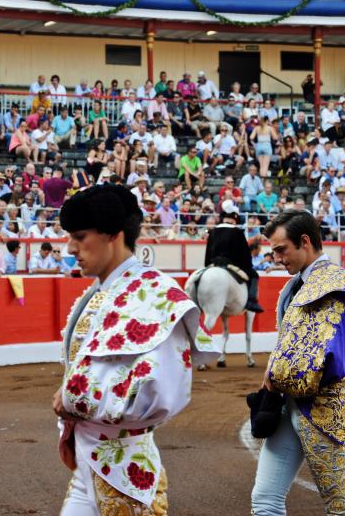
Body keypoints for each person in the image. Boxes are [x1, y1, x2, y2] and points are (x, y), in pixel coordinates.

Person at [54, 184, 217, 515]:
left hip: (126, 471)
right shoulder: (98, 292)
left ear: (113, 234)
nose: (70, 247)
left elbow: (163, 391)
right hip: (90, 459)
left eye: (80, 236)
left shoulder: (157, 295)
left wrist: (72, 400)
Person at [252, 210, 345, 516]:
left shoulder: (342, 287)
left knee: (341, 507)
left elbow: (339, 360)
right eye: (273, 252)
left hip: (321, 409)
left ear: (305, 241)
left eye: (282, 250)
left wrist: (277, 375)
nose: (277, 259)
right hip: (286, 405)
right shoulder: (292, 288)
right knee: (265, 499)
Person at [204, 202, 264, 313]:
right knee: (254, 275)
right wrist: (248, 266)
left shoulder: (213, 231)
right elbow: (245, 254)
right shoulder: (237, 232)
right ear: (234, 218)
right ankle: (251, 301)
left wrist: (207, 265)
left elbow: (208, 253)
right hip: (231, 264)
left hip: (213, 264)